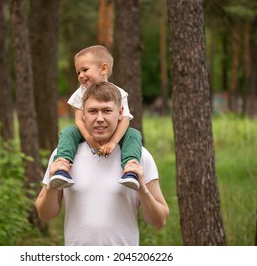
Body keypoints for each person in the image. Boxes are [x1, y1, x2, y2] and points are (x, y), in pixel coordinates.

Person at [35, 82, 169, 246]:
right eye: (92, 111)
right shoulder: (63, 155)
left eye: (106, 110)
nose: (99, 118)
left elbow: (159, 221)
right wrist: (51, 187)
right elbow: (45, 215)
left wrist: (142, 188)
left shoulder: (139, 156)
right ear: (83, 114)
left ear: (120, 113)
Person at [50, 45, 142, 190]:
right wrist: (89, 139)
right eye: (78, 72)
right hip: (87, 131)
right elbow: (79, 120)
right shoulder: (80, 93)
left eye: (85, 70)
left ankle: (131, 169)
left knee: (133, 134)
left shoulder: (119, 93)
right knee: (68, 132)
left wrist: (112, 143)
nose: (81, 75)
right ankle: (62, 166)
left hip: (113, 131)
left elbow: (124, 119)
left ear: (103, 68)